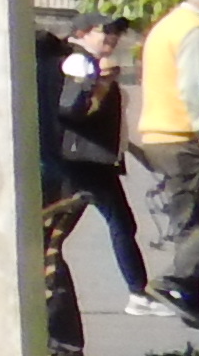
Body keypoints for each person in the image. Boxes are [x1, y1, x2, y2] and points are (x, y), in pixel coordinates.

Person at [136, 0, 199, 314]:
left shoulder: (168, 24)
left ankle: (189, 295)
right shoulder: (197, 30)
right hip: (185, 137)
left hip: (160, 137)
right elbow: (195, 87)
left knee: (189, 219)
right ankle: (176, 278)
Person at [52, 18, 150, 309]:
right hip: (85, 160)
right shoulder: (78, 62)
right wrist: (101, 84)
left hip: (91, 159)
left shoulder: (88, 62)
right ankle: (138, 292)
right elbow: (72, 110)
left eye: (117, 32)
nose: (113, 37)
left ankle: (138, 292)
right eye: (106, 30)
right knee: (119, 223)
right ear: (82, 32)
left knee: (60, 227)